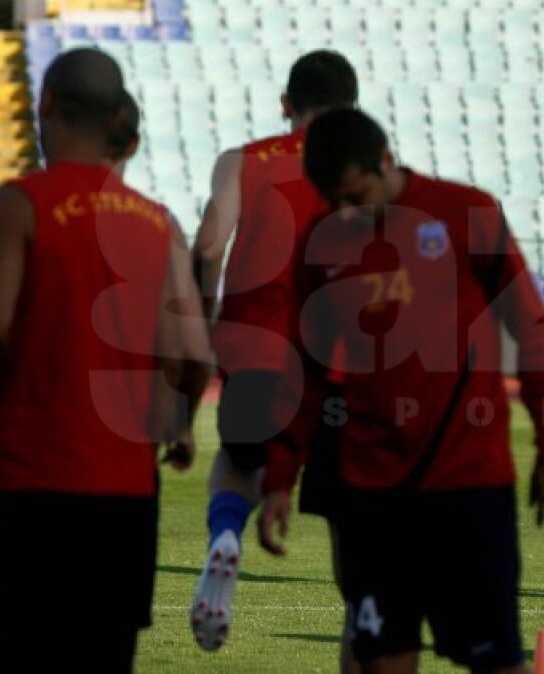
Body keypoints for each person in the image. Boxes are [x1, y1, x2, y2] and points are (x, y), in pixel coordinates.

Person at [257, 108, 544, 673]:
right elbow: (301, 370)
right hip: (372, 495)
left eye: (356, 195)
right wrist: (279, 478)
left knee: (496, 661)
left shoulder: (465, 212)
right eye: (334, 201)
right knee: (383, 662)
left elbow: (530, 329)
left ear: (385, 160)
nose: (346, 213)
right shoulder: (320, 243)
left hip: (467, 484)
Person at [0, 48, 209, 672]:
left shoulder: (16, 205)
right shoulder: (160, 223)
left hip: (29, 484)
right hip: (125, 496)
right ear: (114, 119)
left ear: (46, 107)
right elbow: (192, 353)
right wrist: (177, 424)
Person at [187, 49, 358, 652]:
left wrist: (205, 324)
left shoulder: (243, 161)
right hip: (340, 364)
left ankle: (226, 534)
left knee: (238, 465)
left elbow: (208, 246)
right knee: (350, 522)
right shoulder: (366, 167)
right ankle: (362, 621)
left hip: (255, 348)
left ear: (287, 105)